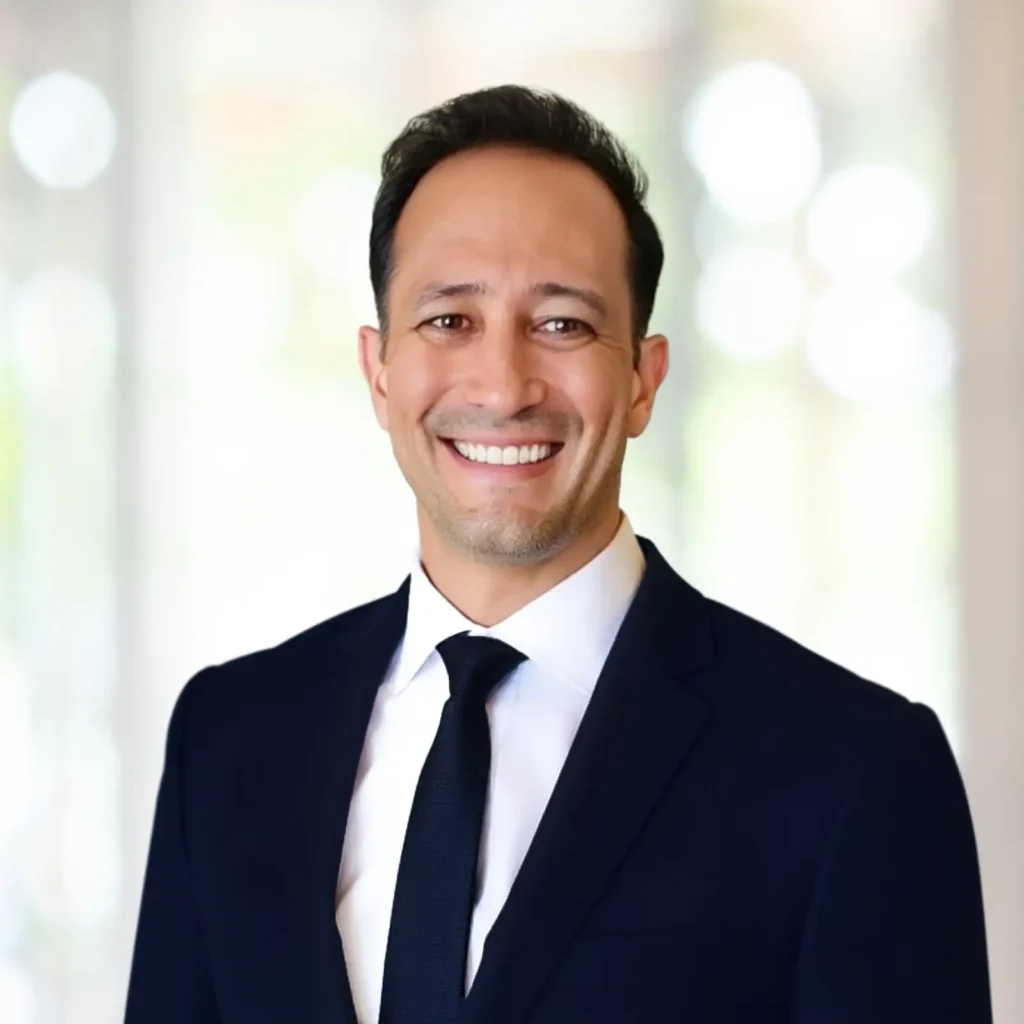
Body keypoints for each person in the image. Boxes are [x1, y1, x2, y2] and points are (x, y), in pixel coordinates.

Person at [124, 85, 992, 1024]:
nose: (502, 385)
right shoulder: (231, 741)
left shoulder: (851, 774)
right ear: (379, 371)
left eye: (563, 324)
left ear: (641, 379)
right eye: (449, 320)